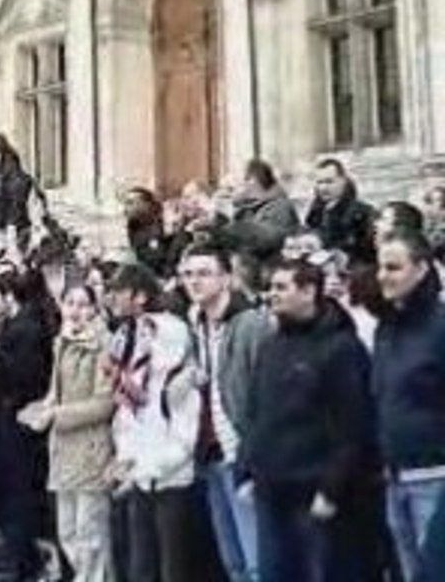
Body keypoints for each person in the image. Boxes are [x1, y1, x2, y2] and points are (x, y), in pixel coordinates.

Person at [238, 259, 375, 582]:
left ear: (309, 291)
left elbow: (353, 424)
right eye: (271, 287)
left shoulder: (341, 347)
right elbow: (256, 412)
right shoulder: (271, 347)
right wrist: (246, 468)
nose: (273, 295)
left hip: (317, 496)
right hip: (271, 490)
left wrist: (332, 489)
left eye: (282, 287)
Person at [180, 244, 271, 582]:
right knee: (232, 559)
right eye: (188, 274)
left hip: (242, 451)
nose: (194, 281)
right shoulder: (195, 325)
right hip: (209, 452)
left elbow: (264, 393)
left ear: (227, 278)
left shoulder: (250, 325)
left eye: (204, 273)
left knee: (256, 558)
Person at [105, 264, 201, 582]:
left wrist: (155, 463)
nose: (111, 298)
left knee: (173, 566)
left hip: (169, 471)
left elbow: (175, 413)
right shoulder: (127, 338)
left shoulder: (169, 338)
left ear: (141, 296)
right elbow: (129, 410)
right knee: (141, 564)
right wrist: (126, 456)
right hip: (140, 470)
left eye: (119, 291)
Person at [19, 284, 114, 582]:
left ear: (95, 308)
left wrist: (55, 415)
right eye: (70, 303)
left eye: (83, 304)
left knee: (91, 532)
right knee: (67, 530)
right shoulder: (61, 342)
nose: (75, 311)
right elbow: (54, 392)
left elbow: (104, 403)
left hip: (91, 446)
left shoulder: (104, 345)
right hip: (61, 447)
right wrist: (37, 409)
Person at [373, 231, 445, 579]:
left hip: (435, 475)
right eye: (380, 267)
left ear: (421, 268)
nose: (383, 275)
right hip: (393, 474)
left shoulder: (441, 325)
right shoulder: (386, 329)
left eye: (394, 267)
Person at [0, 271, 53, 582]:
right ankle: (21, 555)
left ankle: (24, 559)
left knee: (20, 490)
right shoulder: (22, 325)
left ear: (10, 297)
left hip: (21, 414)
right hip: (14, 413)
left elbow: (18, 372)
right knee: (15, 488)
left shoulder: (27, 328)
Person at [222, 160, 299, 261]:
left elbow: (269, 239)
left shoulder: (280, 206)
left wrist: (228, 227)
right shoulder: (246, 208)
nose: (225, 193)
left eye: (230, 189)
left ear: (252, 181)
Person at [305, 159, 376, 265]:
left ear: (343, 180)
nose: (323, 188)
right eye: (319, 182)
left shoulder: (361, 213)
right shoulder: (315, 211)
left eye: (329, 182)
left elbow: (364, 251)